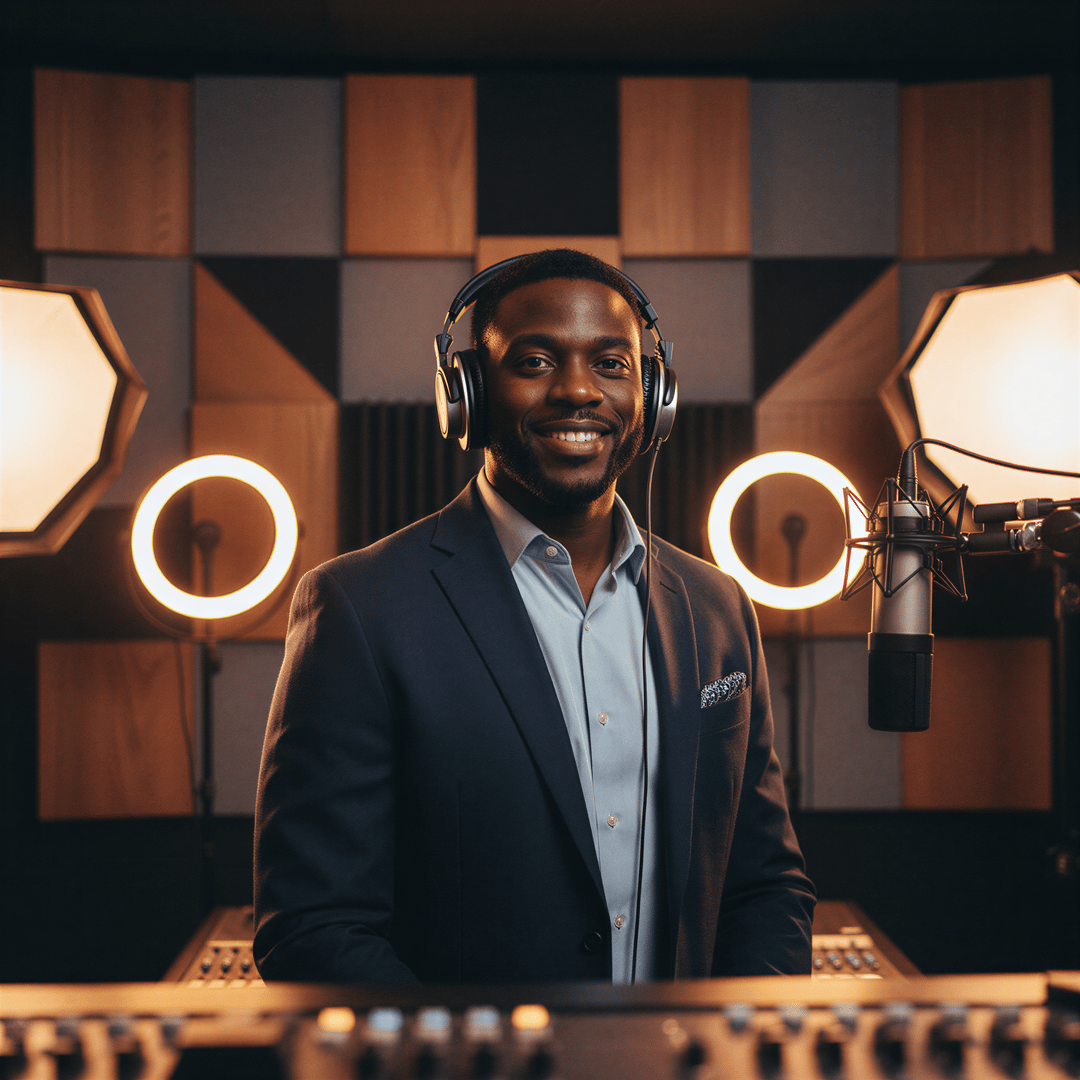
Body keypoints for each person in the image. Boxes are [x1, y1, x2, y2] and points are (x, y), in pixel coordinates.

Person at [253, 249, 814, 984]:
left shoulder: (717, 608)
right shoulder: (360, 608)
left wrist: (735, 1052)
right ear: (468, 395)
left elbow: (765, 886)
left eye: (612, 364)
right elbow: (313, 930)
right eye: (536, 362)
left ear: (654, 394)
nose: (578, 391)